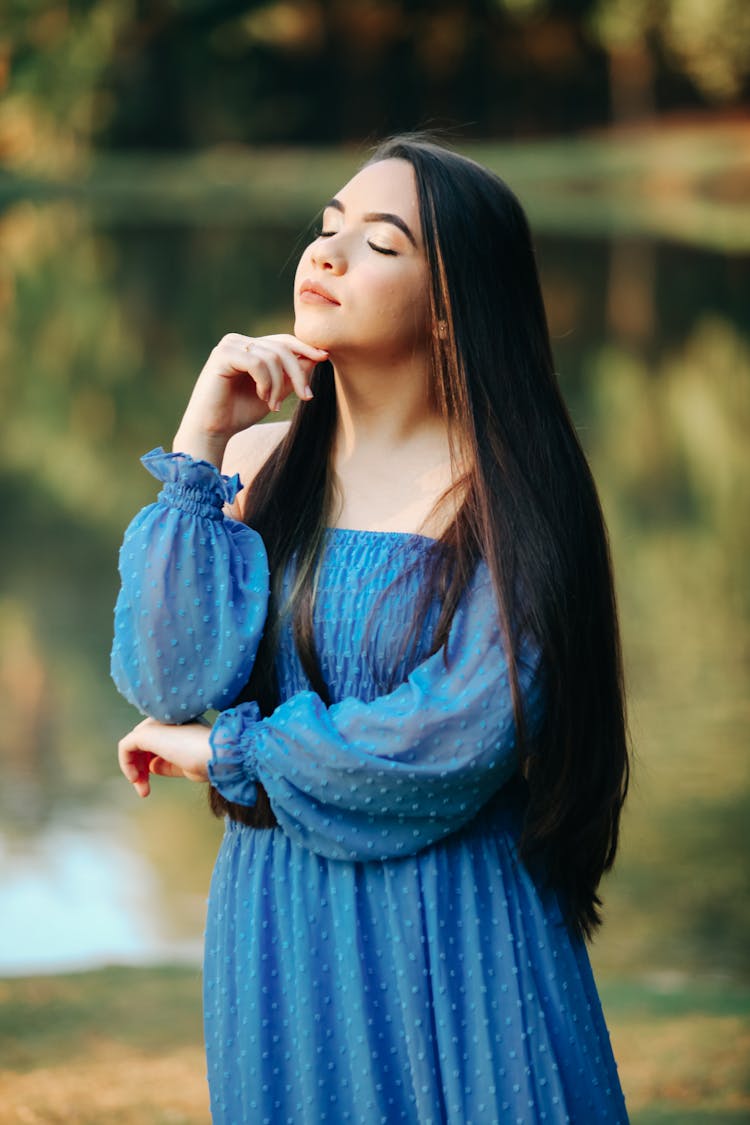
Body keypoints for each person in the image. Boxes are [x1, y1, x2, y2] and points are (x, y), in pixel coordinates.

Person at [112, 134, 631, 1124]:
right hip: (279, 924)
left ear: (450, 309)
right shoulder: (259, 468)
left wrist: (227, 753)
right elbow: (166, 676)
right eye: (326, 228)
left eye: (380, 243)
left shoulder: (510, 492)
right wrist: (201, 440)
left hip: (454, 924)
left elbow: (458, 736)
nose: (328, 254)